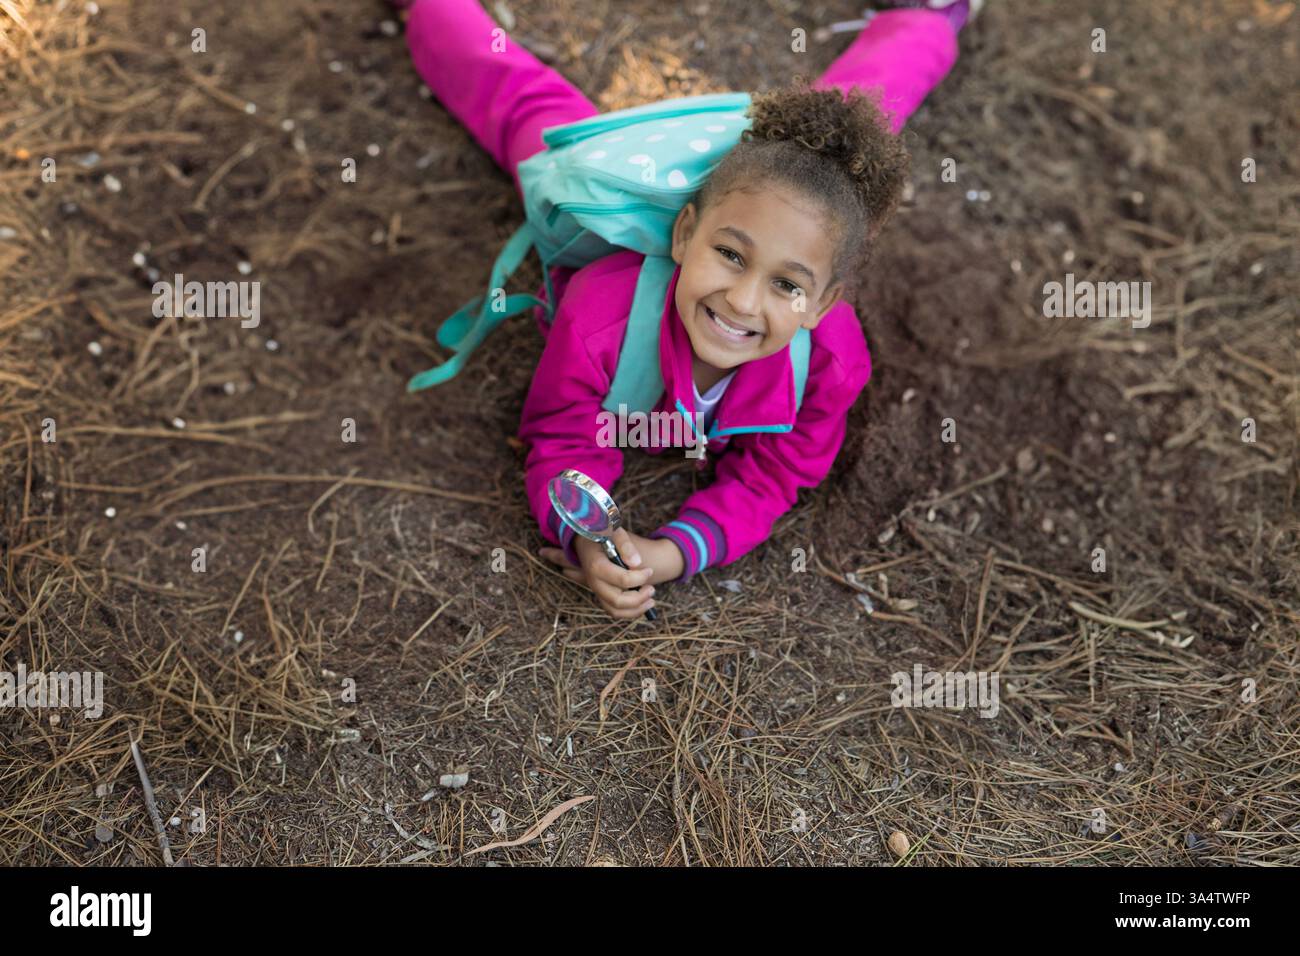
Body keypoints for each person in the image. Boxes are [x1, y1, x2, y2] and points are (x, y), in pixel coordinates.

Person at [402, 0, 975, 619]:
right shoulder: (602, 315)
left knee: (854, 124)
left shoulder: (831, 363)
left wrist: (671, 553)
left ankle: (926, 18)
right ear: (684, 237)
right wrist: (586, 535)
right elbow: (563, 431)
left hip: (785, 178)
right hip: (634, 170)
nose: (742, 300)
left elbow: (773, 478)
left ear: (823, 305)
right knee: (530, 115)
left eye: (787, 286)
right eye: (729, 254)